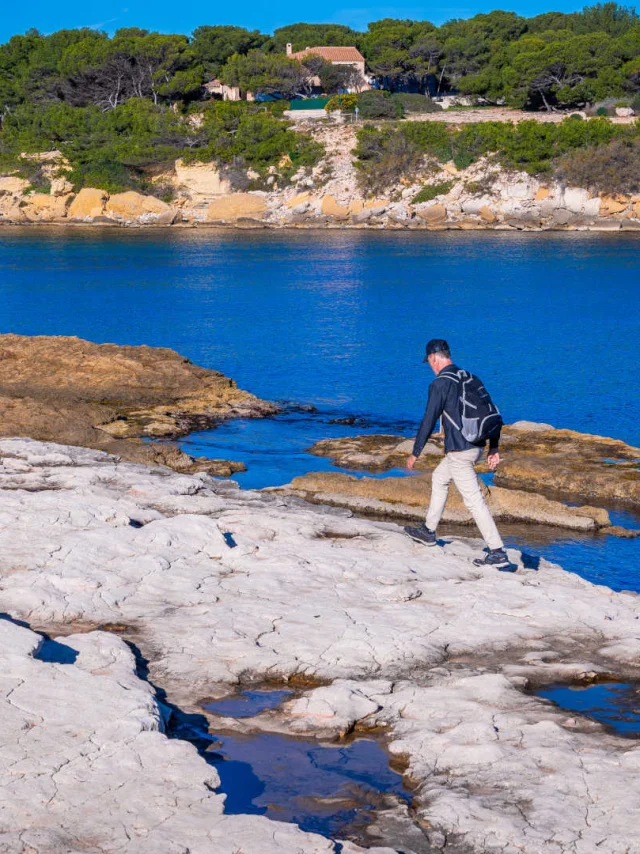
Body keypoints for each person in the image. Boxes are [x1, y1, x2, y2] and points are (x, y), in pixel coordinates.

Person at [404, 339, 511, 570]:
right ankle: (428, 531)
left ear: (434, 358)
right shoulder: (470, 377)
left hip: (460, 451)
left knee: (474, 502)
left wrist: (415, 453)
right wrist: (494, 447)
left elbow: (428, 420)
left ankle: (497, 552)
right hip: (477, 446)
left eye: (430, 362)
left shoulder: (440, 383)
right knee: (439, 478)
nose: (430, 367)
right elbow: (493, 413)